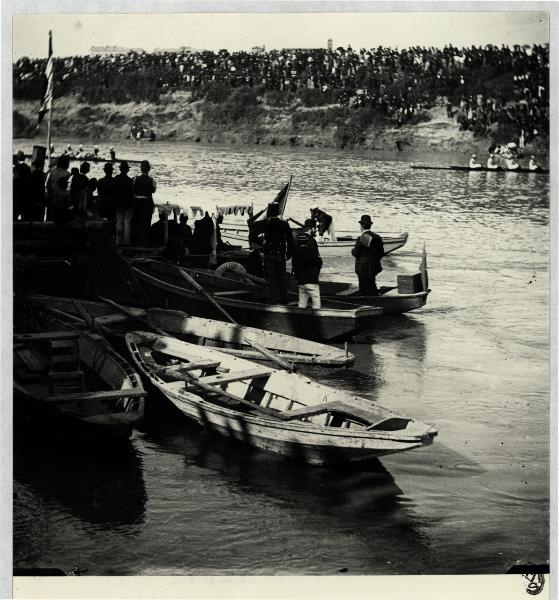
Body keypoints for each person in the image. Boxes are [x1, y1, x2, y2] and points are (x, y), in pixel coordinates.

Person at [249, 202, 295, 304]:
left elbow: (252, 235)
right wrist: (289, 254)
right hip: (281, 254)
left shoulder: (265, 223)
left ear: (269, 212)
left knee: (272, 278)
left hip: (269, 254)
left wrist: (262, 242)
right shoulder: (284, 224)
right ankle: (283, 299)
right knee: (281, 277)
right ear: (278, 212)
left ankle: (273, 300)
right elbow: (291, 241)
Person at [351, 214, 384, 296]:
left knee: (363, 288)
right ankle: (375, 299)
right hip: (374, 267)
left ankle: (366, 302)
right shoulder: (377, 237)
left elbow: (355, 253)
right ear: (370, 226)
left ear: (361, 226)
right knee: (372, 284)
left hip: (362, 268)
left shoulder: (361, 238)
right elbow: (381, 253)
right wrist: (375, 260)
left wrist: (352, 250)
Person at [291, 224, 323, 309]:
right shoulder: (311, 252)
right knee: (316, 300)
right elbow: (319, 262)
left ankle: (302, 315)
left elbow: (294, 267)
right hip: (311, 280)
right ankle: (316, 317)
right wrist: (317, 272)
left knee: (302, 301)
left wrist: (297, 276)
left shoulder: (295, 254)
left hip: (301, 281)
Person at [131, 160, 156, 246]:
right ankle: (146, 243)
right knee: (147, 223)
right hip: (147, 204)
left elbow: (133, 190)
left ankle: (136, 243)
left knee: (137, 223)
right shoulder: (152, 180)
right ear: (149, 169)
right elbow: (153, 190)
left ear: (141, 169)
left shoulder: (135, 179)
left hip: (137, 204)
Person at [113, 161, 134, 245]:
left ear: (120, 169)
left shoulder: (116, 179)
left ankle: (118, 243)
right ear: (127, 170)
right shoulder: (129, 180)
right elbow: (131, 194)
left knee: (119, 224)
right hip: (127, 205)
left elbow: (114, 192)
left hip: (118, 205)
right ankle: (126, 244)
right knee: (127, 225)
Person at [45, 155, 71, 223]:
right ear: (66, 164)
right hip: (63, 204)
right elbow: (69, 191)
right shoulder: (68, 174)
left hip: (52, 203)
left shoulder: (52, 173)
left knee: (49, 221)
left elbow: (48, 187)